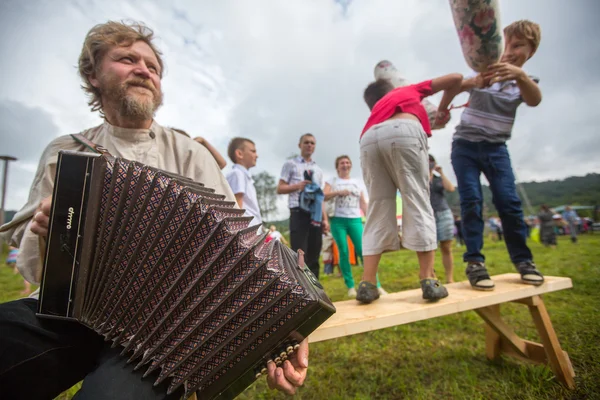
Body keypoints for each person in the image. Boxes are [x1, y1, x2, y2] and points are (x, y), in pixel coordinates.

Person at [0, 21, 308, 400]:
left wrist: (279, 333)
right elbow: (35, 269)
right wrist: (48, 232)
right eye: (127, 59)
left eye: (153, 67)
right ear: (91, 74)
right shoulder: (67, 152)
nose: (144, 70)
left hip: (164, 331)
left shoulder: (190, 154)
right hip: (70, 313)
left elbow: (244, 253)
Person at [450, 20, 545, 291]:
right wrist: (474, 81)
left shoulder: (524, 82)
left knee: (509, 202)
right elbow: (455, 87)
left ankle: (524, 261)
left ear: (531, 51)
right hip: (465, 146)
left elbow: (534, 99)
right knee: (471, 200)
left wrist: (520, 76)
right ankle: (475, 262)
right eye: (506, 45)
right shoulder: (484, 69)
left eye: (518, 46)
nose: (510, 51)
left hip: (496, 149)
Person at [357, 69, 463, 303]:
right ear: (393, 88)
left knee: (377, 208)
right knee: (417, 199)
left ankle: (367, 283)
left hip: (367, 138)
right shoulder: (406, 90)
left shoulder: (377, 109)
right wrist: (444, 107)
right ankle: (428, 279)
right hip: (403, 131)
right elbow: (456, 79)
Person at [324, 155, 386, 297]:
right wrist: (338, 192)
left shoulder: (357, 182)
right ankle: (350, 286)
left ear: (351, 165)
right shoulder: (332, 181)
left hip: (355, 220)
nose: (345, 165)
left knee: (363, 251)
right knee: (344, 252)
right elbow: (324, 195)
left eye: (347, 162)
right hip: (338, 221)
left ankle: (376, 284)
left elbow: (363, 202)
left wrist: (370, 217)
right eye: (342, 163)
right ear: (337, 166)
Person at [277, 133, 329, 279]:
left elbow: (320, 197)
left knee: (314, 253)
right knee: (299, 253)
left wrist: (325, 219)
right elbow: (280, 188)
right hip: (298, 211)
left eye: (312, 143)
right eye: (306, 142)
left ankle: (317, 294)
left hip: (315, 214)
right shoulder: (290, 164)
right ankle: (301, 291)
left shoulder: (318, 170)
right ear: (300, 145)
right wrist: (297, 186)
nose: (309, 145)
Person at [428, 155, 456, 284]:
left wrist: (441, 172)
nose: (429, 163)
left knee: (446, 247)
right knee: (429, 249)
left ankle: (449, 278)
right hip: (427, 216)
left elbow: (450, 188)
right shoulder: (420, 179)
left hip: (443, 213)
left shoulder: (439, 179)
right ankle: (431, 277)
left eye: (431, 161)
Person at [226, 137, 262, 227]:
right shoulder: (238, 174)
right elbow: (237, 205)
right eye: (253, 151)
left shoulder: (244, 175)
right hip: (246, 229)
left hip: (253, 227)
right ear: (239, 154)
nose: (256, 155)